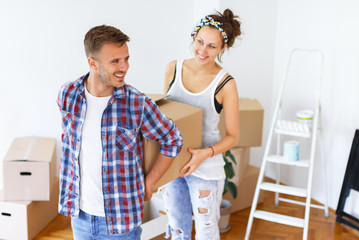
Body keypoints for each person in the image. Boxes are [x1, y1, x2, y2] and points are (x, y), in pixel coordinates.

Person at [57, 25, 183, 240]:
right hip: (80, 215)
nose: (124, 67)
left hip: (121, 221)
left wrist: (149, 182)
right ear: (92, 63)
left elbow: (172, 140)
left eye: (126, 59)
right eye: (115, 61)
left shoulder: (136, 103)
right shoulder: (68, 95)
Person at [162, 9, 241, 240]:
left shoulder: (226, 83)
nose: (202, 51)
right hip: (173, 162)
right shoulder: (173, 69)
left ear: (222, 48)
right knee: (177, 227)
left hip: (205, 167)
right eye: (200, 42)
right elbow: (168, 115)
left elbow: (233, 136)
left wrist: (203, 155)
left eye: (212, 46)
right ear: (194, 36)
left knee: (206, 230)